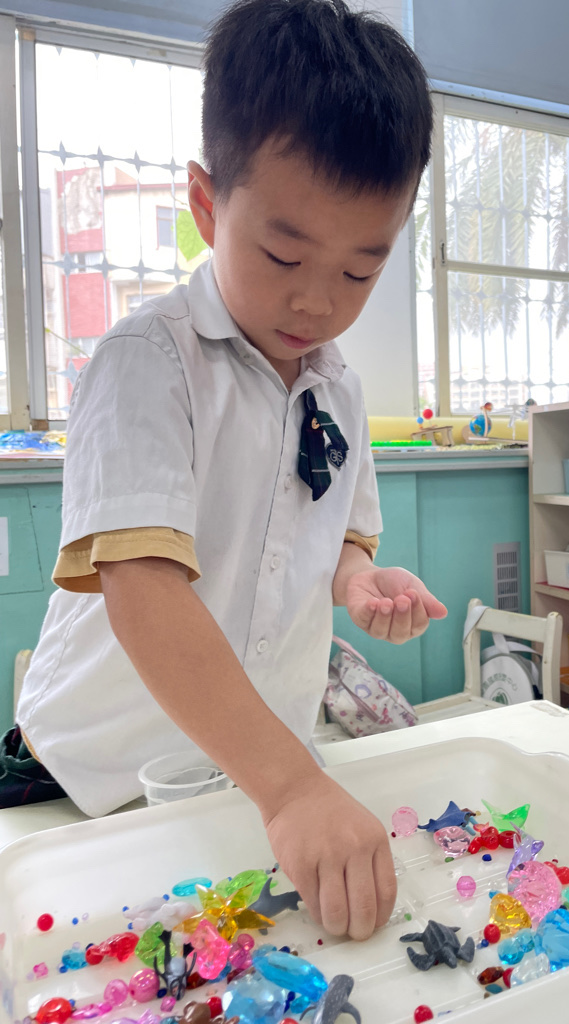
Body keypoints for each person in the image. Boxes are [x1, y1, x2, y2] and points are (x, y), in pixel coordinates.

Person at [13, 0, 444, 942]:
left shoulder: (337, 388)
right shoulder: (148, 361)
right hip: (90, 783)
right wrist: (292, 785)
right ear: (208, 206)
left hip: (241, 781)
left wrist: (358, 581)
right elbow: (142, 589)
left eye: (360, 272)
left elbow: (339, 538)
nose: (316, 301)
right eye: (284, 254)